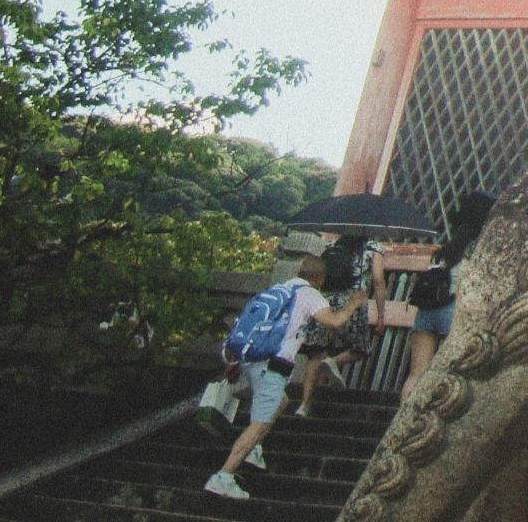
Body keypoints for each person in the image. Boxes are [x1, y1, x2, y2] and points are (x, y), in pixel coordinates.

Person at [205, 255, 365, 500]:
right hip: (275, 365)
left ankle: (253, 448)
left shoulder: (280, 288)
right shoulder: (310, 294)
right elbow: (334, 322)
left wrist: (237, 360)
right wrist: (353, 304)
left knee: (281, 402)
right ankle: (224, 476)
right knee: (258, 423)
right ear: (320, 278)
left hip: (253, 358)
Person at [400, 190, 496, 398]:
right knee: (454, 374)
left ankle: (401, 423)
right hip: (453, 312)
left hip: (425, 312)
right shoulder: (477, 250)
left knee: (415, 374)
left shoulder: (443, 251)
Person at [295, 232, 386, 416]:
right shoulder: (373, 247)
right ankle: (333, 361)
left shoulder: (333, 247)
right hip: (353, 303)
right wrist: (381, 316)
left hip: (325, 303)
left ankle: (304, 405)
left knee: (316, 354)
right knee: (360, 349)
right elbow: (378, 281)